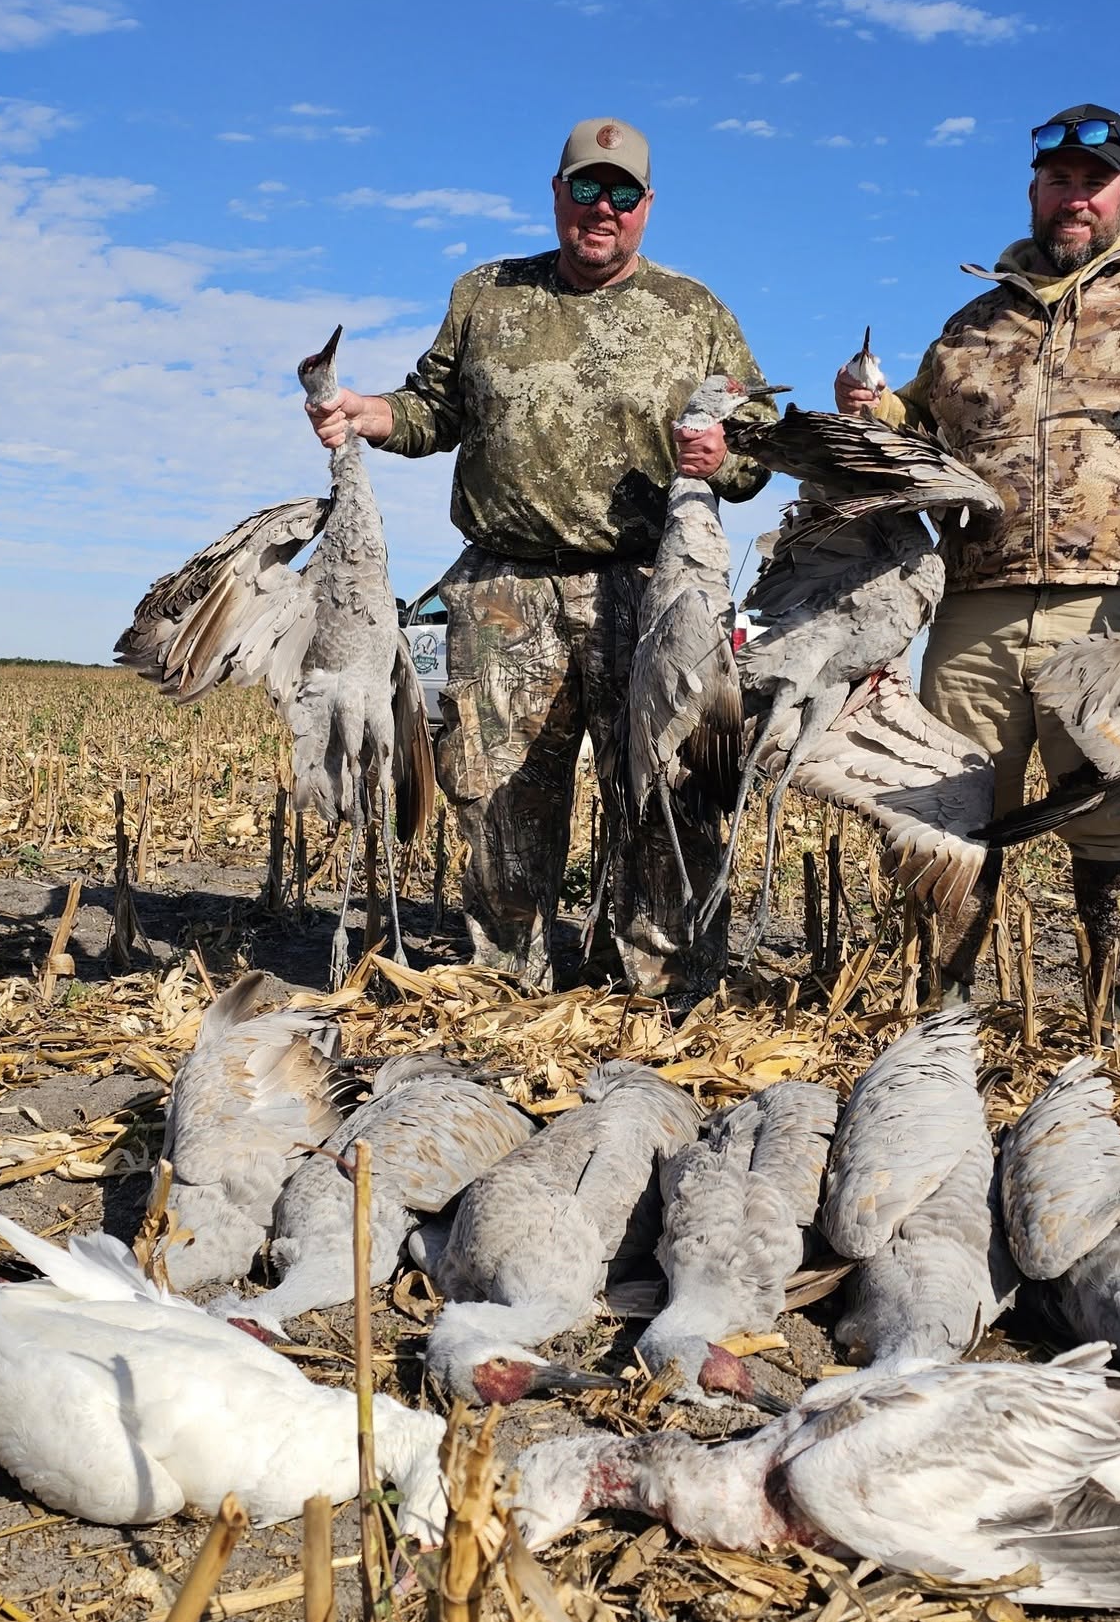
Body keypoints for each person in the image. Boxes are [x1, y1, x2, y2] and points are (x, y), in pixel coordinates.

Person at [833, 103, 1120, 1008]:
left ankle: (1112, 1017)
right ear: (1034, 189)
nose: (1075, 199)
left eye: (1094, 183)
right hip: (975, 604)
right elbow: (913, 429)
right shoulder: (970, 321)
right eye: (1059, 182)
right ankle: (943, 1011)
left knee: (1113, 818)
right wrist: (866, 407)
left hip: (1118, 607)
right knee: (948, 815)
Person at [306, 116, 773, 997]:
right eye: (587, 189)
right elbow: (431, 411)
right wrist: (366, 413)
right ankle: (503, 988)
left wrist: (725, 459)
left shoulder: (695, 313)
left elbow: (756, 449)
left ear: (647, 206)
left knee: (667, 795)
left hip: (649, 588)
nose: (604, 209)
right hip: (500, 588)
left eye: (623, 194)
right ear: (557, 193)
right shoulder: (486, 294)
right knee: (493, 796)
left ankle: (663, 993)